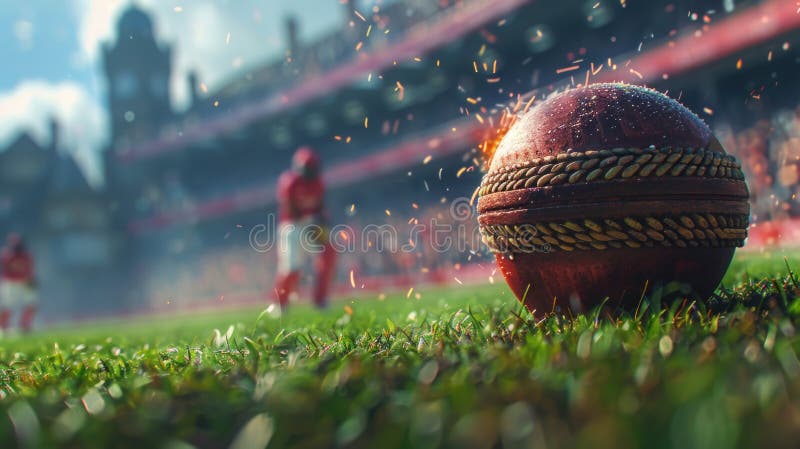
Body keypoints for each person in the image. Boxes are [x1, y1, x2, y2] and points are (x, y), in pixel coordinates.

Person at [273, 146, 336, 309]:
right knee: (292, 268)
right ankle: (280, 303)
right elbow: (290, 209)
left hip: (311, 223)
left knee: (329, 253)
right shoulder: (289, 182)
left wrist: (322, 223)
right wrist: (311, 221)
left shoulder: (319, 182)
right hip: (292, 226)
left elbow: (320, 206)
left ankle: (320, 300)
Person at [0, 234, 37, 333]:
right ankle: (3, 326)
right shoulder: (6, 255)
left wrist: (32, 280)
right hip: (10, 282)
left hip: (26, 281)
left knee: (31, 303)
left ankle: (25, 325)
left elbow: (30, 269)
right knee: (7, 305)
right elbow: (4, 270)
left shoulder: (26, 256)